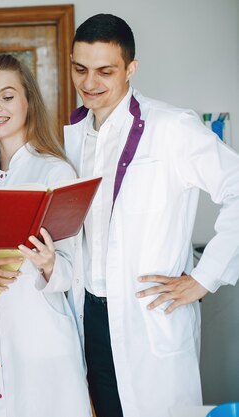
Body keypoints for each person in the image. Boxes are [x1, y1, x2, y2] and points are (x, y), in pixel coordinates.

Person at [65, 14, 239, 417]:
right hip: (91, 314)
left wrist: (205, 277)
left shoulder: (172, 127)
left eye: (105, 71)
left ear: (131, 68)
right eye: (80, 69)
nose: (89, 83)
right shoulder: (74, 135)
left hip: (149, 317)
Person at [0, 54, 91, 417]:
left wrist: (48, 263)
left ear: (29, 100)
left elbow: (76, 267)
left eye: (7, 96)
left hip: (39, 335)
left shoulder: (56, 173)